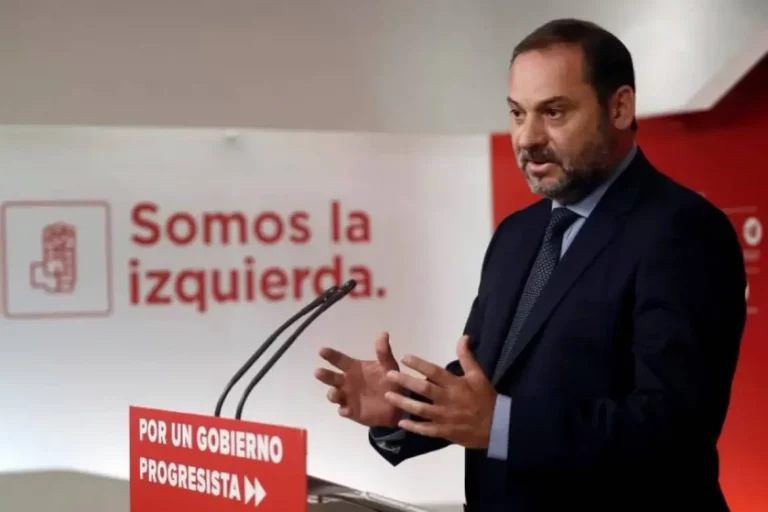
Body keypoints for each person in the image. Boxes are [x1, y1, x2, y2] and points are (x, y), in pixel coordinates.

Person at [314, 18, 746, 511]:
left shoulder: (682, 231)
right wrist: (404, 409)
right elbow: (491, 377)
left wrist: (499, 424)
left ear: (620, 107)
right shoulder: (517, 234)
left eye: (554, 112)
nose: (527, 137)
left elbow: (672, 427)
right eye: (518, 113)